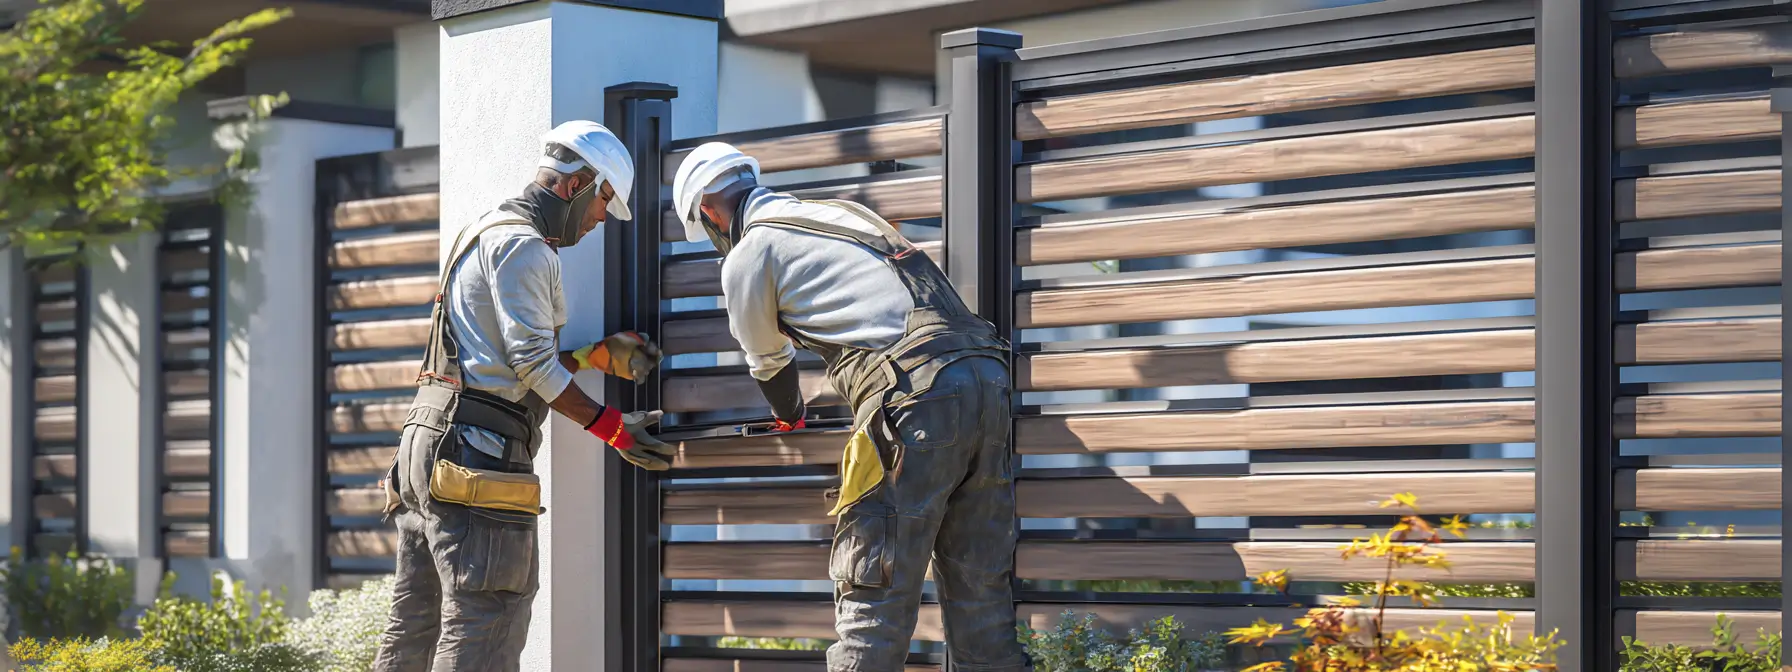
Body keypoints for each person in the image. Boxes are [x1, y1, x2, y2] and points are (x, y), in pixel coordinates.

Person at [671, 142, 1024, 672]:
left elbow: (767, 359)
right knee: (981, 593)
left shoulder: (750, 251)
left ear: (707, 211)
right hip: (987, 378)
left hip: (914, 396)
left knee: (873, 591)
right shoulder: (840, 214)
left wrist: (789, 412)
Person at [372, 120, 676, 672]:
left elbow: (496, 360)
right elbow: (532, 367)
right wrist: (613, 428)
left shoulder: (483, 230)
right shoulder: (525, 248)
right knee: (487, 621)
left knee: (415, 625)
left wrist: (591, 357)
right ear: (576, 184)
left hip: (427, 446)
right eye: (603, 202)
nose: (601, 219)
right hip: (475, 452)